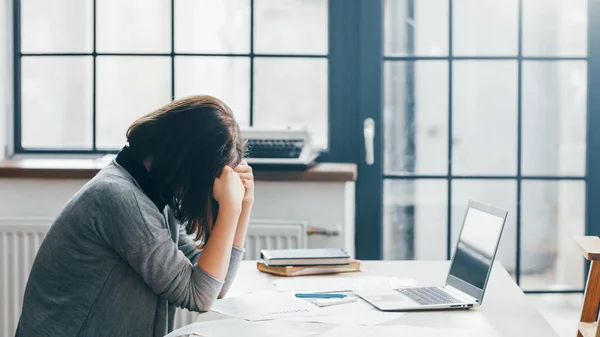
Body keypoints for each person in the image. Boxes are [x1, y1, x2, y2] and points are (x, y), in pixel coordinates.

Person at [15, 95, 254, 337]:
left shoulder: (153, 193)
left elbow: (215, 284)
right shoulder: (121, 199)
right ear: (187, 164)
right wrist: (230, 209)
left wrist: (244, 205)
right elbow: (200, 294)